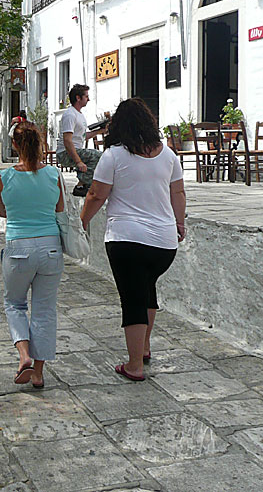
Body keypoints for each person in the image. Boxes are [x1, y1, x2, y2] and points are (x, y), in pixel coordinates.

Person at [79, 99, 187, 382]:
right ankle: (145, 346)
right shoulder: (169, 156)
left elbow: (96, 195)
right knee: (147, 290)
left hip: (126, 240)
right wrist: (180, 222)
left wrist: (81, 222)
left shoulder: (113, 156)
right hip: (164, 243)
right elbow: (178, 193)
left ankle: (134, 364)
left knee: (133, 299)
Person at [0, 121, 64, 389]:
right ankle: (38, 373)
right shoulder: (53, 175)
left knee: (14, 303)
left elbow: (2, 211)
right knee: (45, 310)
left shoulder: (5, 177)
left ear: (14, 145)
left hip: (18, 247)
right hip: (50, 247)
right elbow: (59, 208)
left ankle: (24, 356)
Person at [56, 84, 105, 197]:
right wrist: (78, 161)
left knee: (99, 157)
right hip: (64, 153)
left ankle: (85, 184)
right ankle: (81, 185)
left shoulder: (79, 115)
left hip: (75, 150)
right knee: (98, 155)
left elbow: (82, 136)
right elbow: (67, 141)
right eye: (86, 96)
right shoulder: (70, 115)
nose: (89, 99)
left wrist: (100, 131)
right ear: (78, 98)